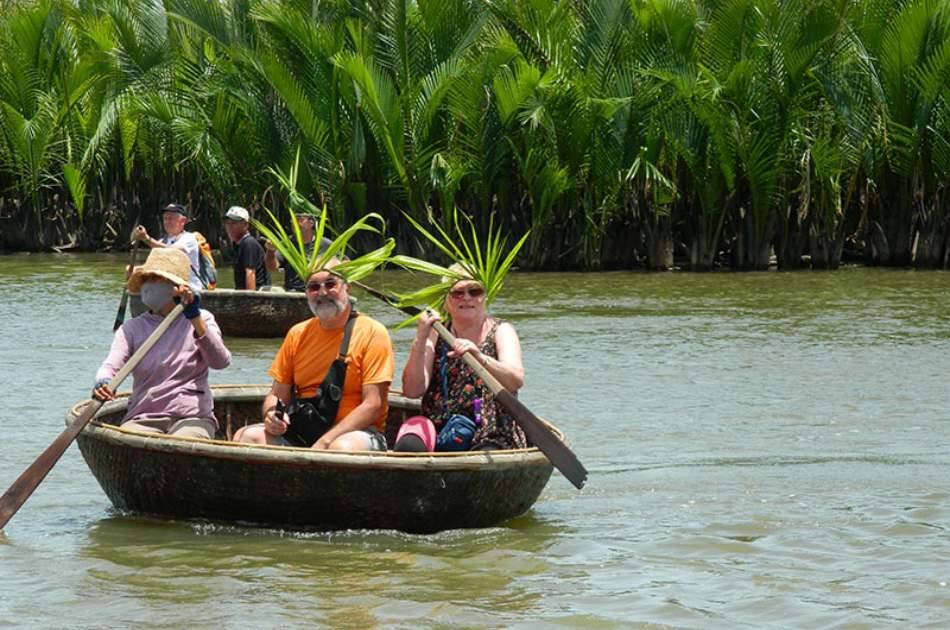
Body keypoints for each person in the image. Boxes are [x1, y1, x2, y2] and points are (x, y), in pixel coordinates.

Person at [233, 262, 394, 451]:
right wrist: (271, 415)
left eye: (330, 284)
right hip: (304, 427)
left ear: (347, 288)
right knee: (246, 437)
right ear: (306, 292)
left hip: (356, 433)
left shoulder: (373, 332)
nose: (322, 293)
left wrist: (325, 442)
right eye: (314, 287)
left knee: (340, 448)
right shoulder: (297, 333)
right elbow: (277, 394)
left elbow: (373, 405)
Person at [93, 248, 232, 438]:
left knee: (185, 442)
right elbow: (111, 366)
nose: (150, 286)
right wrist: (104, 382)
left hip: (192, 416)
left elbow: (220, 362)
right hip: (144, 415)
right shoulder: (132, 328)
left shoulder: (202, 320)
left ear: (177, 287)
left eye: (158, 280)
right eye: (147, 280)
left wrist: (194, 318)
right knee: (131, 441)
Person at [398, 267, 527, 452]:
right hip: (440, 426)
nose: (467, 297)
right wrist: (420, 338)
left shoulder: (501, 330)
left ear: (485, 297)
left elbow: (515, 380)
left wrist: (479, 357)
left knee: (486, 457)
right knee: (408, 444)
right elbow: (412, 390)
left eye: (474, 291)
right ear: (446, 302)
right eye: (458, 293)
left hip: (490, 429)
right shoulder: (435, 333)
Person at [133, 203, 202, 292]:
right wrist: (137, 270)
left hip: (189, 288)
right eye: (165, 219)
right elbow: (153, 265)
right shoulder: (162, 241)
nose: (167, 222)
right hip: (167, 286)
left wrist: (146, 239)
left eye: (171, 218)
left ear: (183, 221)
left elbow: (172, 251)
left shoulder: (189, 238)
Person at [264, 213, 333, 292]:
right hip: (294, 292)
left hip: (320, 291)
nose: (295, 223)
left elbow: (343, 262)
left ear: (311, 223)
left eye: (299, 219)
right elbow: (272, 268)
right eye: (293, 220)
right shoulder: (287, 244)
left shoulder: (325, 244)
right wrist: (270, 251)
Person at [223, 205, 269, 290]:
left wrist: (249, 300)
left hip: (259, 294)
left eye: (234, 223)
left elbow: (250, 273)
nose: (230, 227)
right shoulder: (237, 244)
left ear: (245, 225)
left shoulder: (248, 243)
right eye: (227, 223)